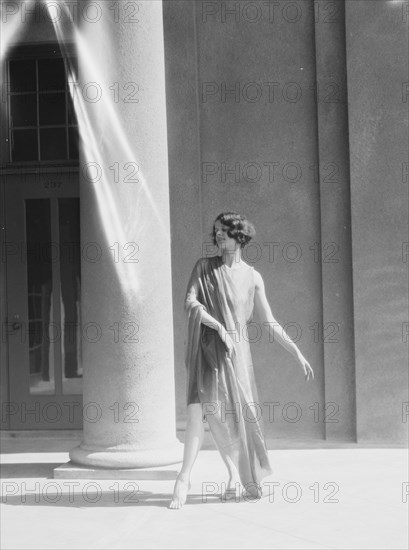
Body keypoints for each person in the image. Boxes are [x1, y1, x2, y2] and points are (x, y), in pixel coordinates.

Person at [169, 212, 314, 509]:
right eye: (216, 231)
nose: (218, 235)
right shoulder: (204, 267)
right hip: (209, 349)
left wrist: (296, 352)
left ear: (239, 235)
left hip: (237, 354)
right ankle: (183, 478)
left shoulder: (253, 277)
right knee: (200, 410)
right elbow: (190, 302)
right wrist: (217, 326)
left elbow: (270, 322)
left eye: (224, 231)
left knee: (236, 416)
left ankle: (235, 474)